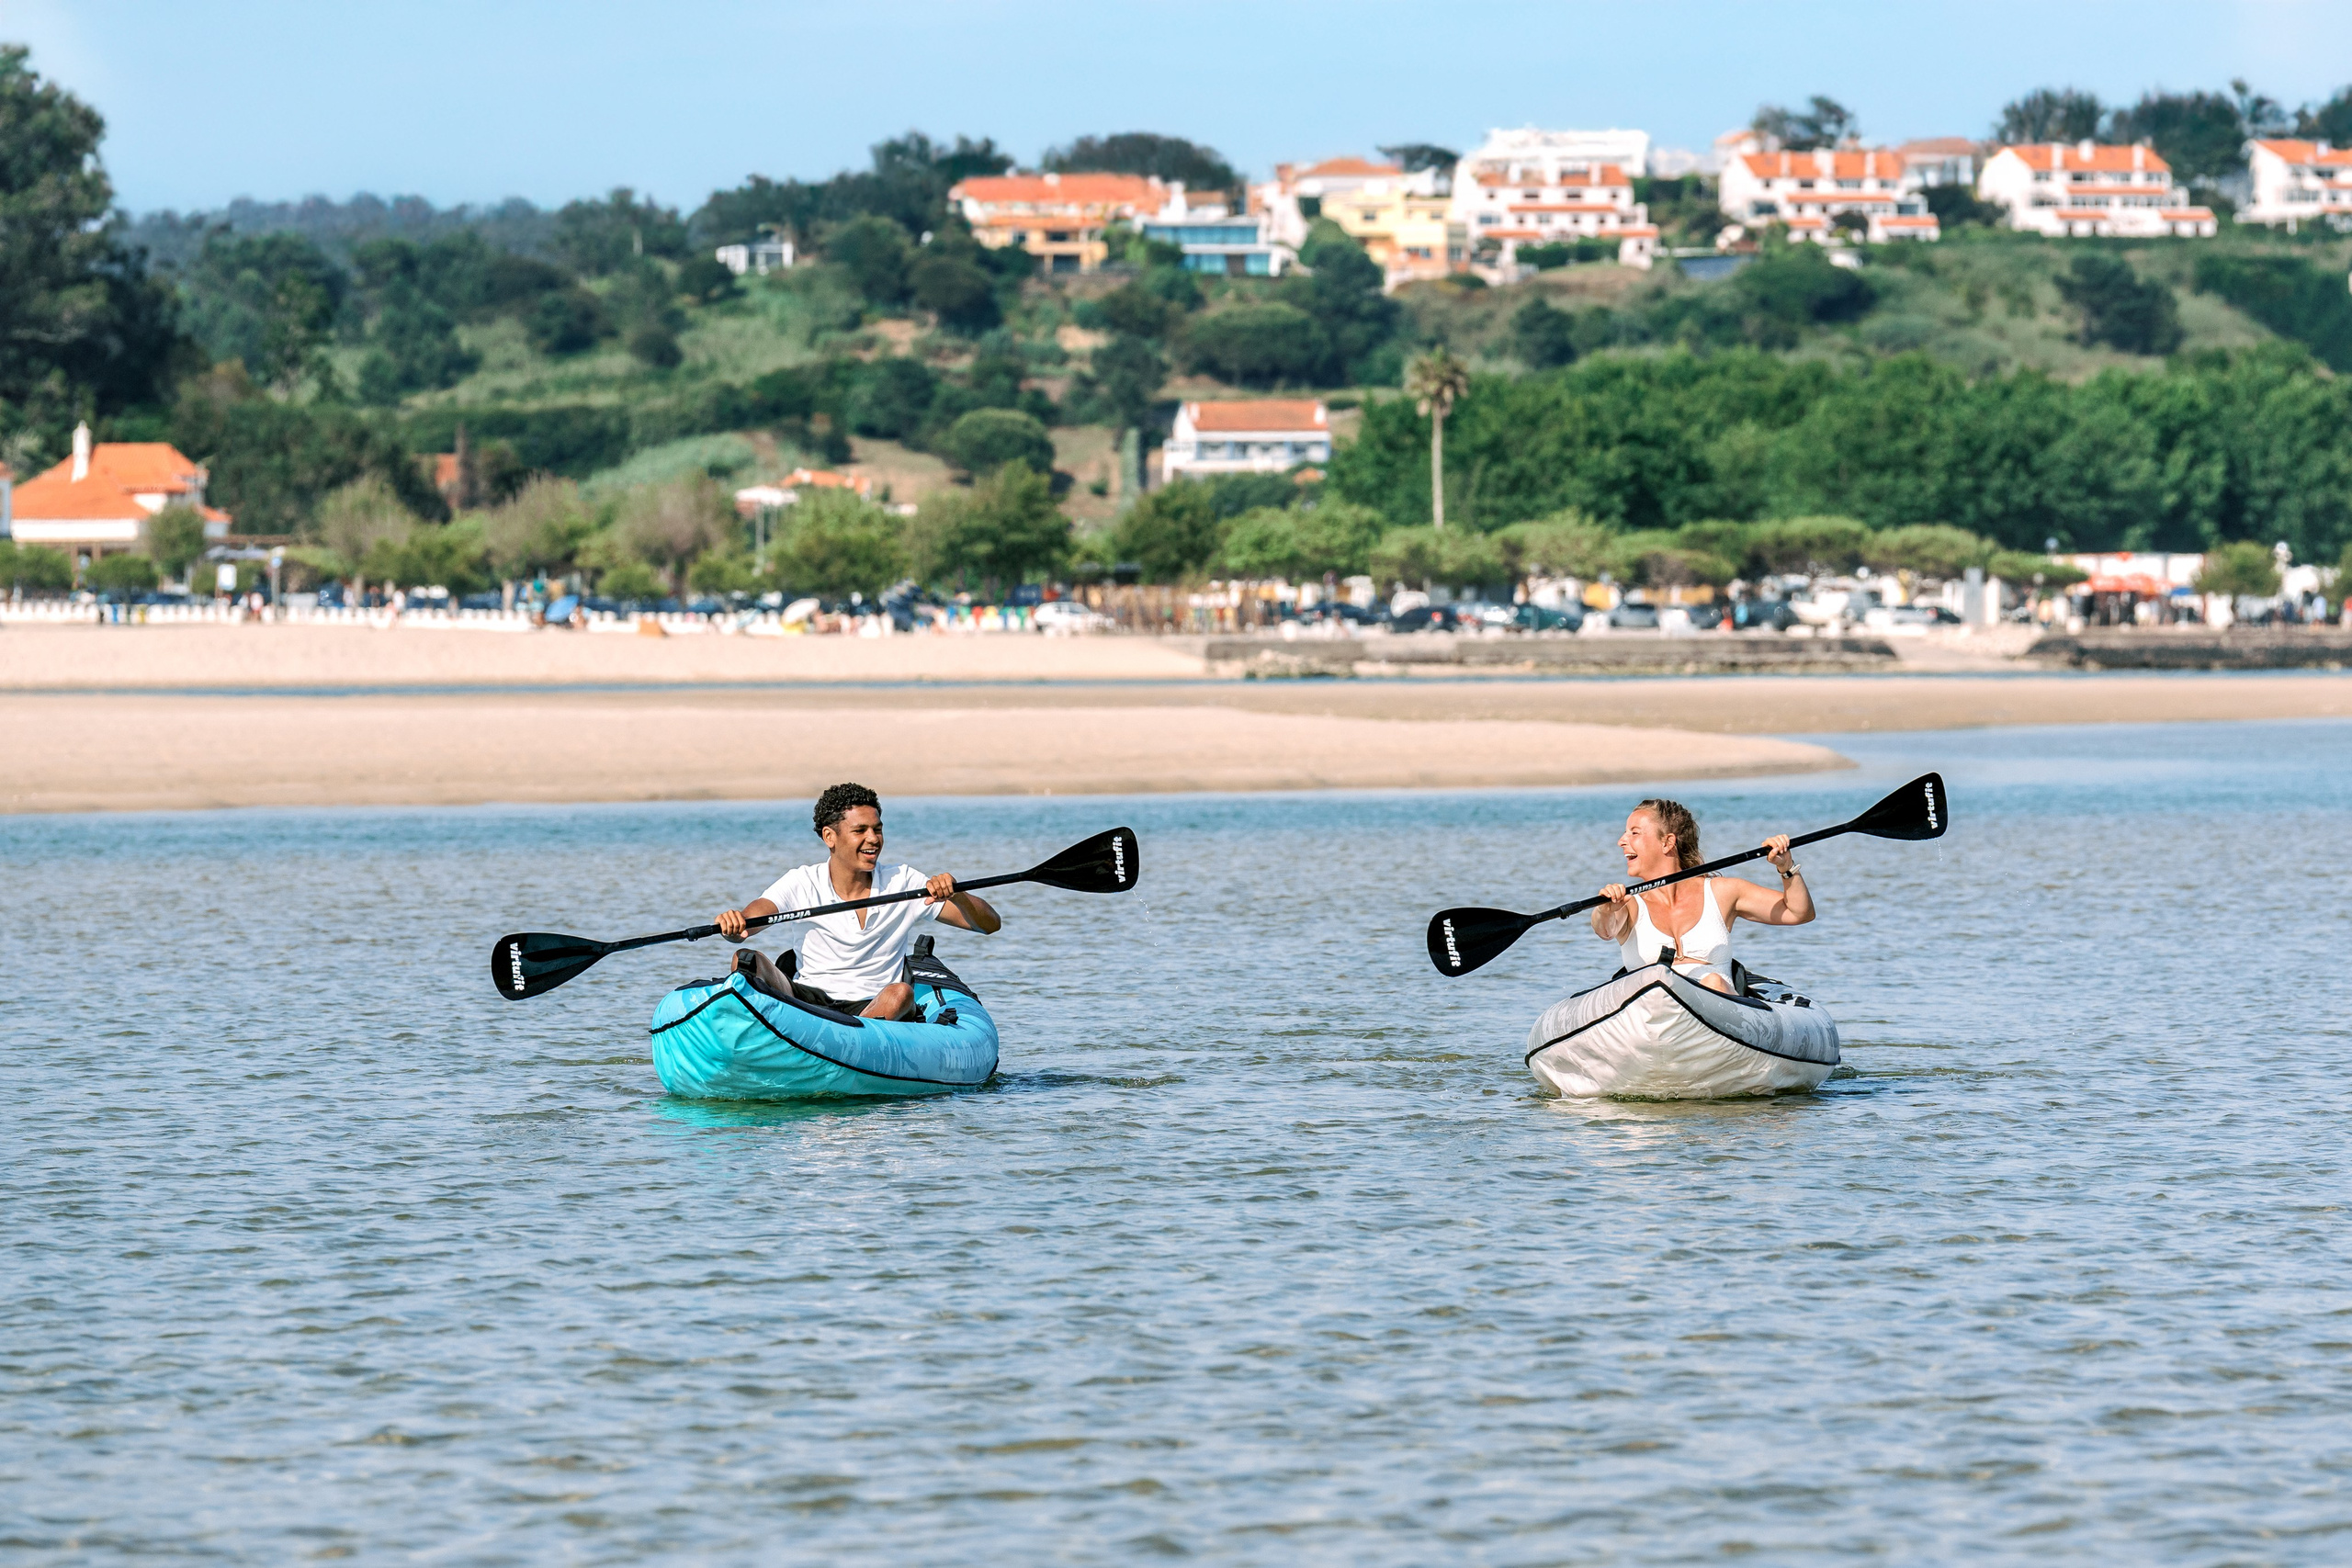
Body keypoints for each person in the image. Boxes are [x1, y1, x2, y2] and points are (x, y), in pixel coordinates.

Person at [714, 783, 1001, 1019]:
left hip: (874, 1004)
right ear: (830, 837)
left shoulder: (904, 881)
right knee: (746, 960)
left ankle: (847, 1044)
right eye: (860, 831)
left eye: (877, 829)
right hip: (807, 999)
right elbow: (751, 922)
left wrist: (958, 894)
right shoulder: (802, 881)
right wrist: (735, 923)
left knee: (900, 994)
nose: (873, 839)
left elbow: (989, 925)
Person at [1590, 797, 1812, 994]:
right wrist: (1604, 909)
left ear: (1667, 842)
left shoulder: (1722, 892)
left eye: (1634, 833)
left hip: (1717, 1011)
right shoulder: (1628, 905)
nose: (1621, 841)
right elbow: (1605, 930)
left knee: (1713, 981)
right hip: (1652, 1012)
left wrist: (1786, 867)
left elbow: (1798, 913)